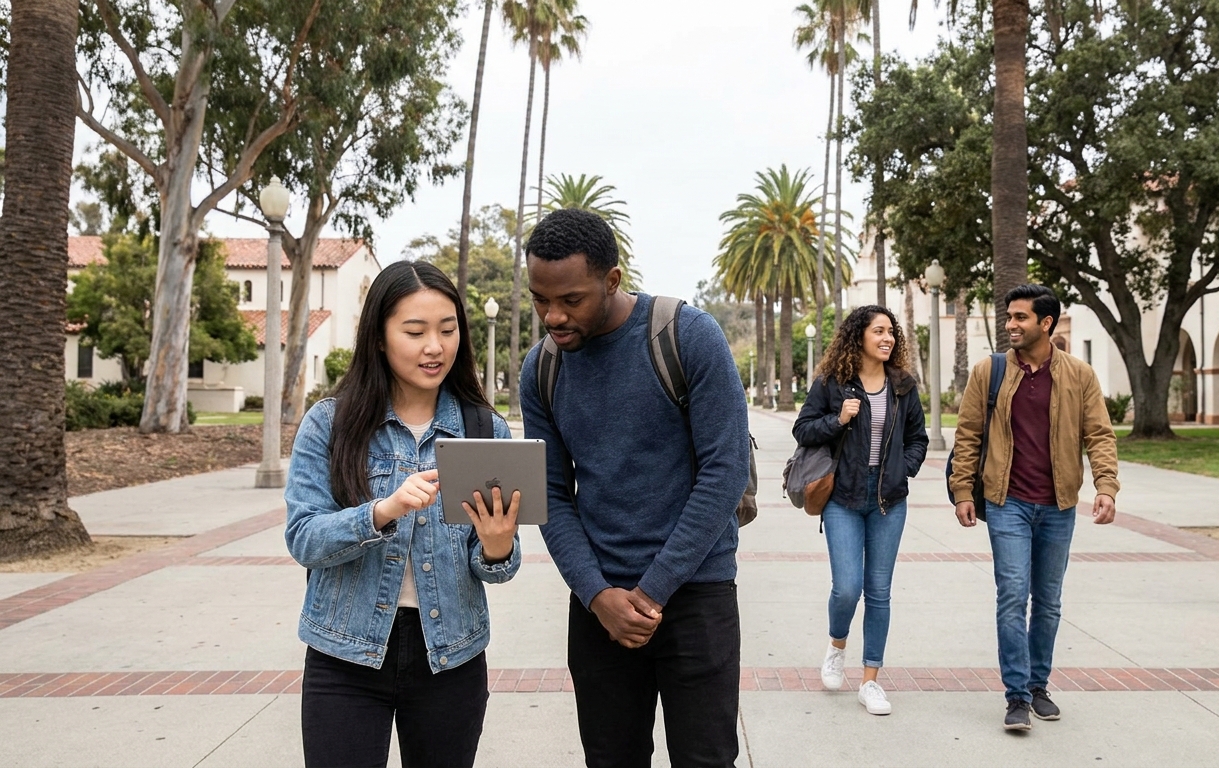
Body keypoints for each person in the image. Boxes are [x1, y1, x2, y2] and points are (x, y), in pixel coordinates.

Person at [519, 208, 751, 768]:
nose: (553, 316)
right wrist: (599, 597)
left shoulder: (687, 336)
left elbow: (725, 471)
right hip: (599, 603)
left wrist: (650, 594)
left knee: (706, 759)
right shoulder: (541, 370)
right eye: (539, 299)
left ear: (613, 281)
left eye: (570, 300)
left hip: (697, 593)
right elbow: (551, 493)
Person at [284, 261, 521, 768]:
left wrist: (498, 545)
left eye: (447, 329)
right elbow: (304, 537)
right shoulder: (330, 424)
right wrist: (382, 511)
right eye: (415, 331)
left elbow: (496, 562)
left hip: (450, 656)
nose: (434, 346)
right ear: (378, 337)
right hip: (344, 655)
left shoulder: (483, 428)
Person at [948, 284, 1119, 732]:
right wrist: (963, 490)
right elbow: (967, 435)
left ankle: (1040, 685)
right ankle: (1017, 696)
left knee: (1047, 603)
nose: (1011, 324)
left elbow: (1099, 434)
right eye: (1009, 316)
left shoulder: (1079, 375)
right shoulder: (991, 371)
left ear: (1046, 323)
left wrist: (1106, 485)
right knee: (1011, 597)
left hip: (1059, 504)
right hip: (1008, 503)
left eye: (1020, 317)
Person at [792, 305, 929, 716]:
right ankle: (837, 645)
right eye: (879, 331)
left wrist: (902, 470)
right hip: (843, 499)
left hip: (889, 501)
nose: (887, 338)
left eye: (891, 332)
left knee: (880, 592)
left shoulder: (903, 385)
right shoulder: (833, 383)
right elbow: (803, 428)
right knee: (847, 587)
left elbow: (917, 438)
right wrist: (837, 419)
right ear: (859, 337)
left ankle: (871, 681)